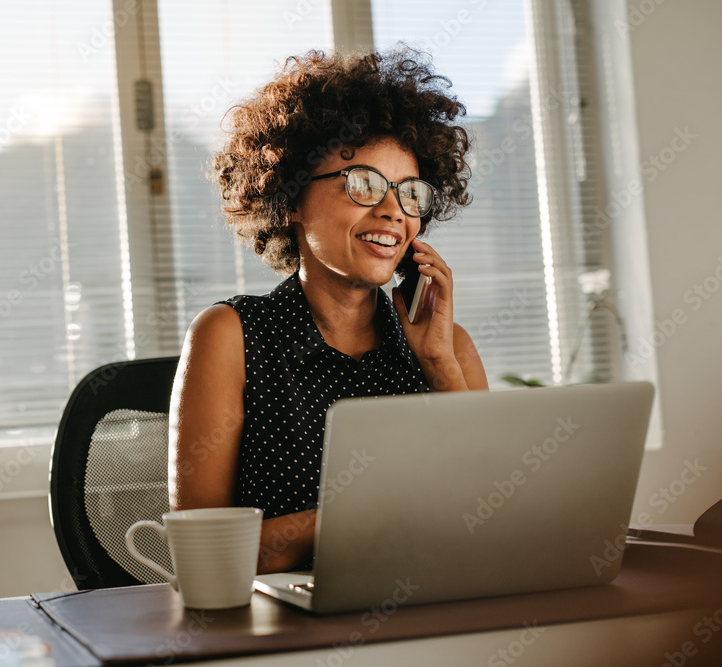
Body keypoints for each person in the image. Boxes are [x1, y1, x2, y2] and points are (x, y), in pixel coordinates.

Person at [168, 47, 489, 574]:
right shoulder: (231, 336)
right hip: (283, 635)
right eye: (363, 184)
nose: (392, 211)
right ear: (291, 197)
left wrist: (438, 367)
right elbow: (201, 554)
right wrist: (358, 516)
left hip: (425, 614)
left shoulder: (447, 347)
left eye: (411, 193)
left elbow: (495, 519)